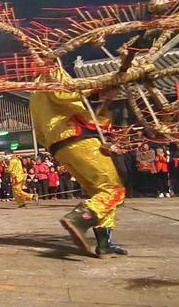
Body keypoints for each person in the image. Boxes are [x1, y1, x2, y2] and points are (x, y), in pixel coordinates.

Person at [30, 70, 127, 258]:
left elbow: (40, 132)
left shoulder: (34, 95)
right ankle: (79, 219)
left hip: (59, 145)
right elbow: (65, 92)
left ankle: (105, 243)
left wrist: (103, 98)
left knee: (100, 192)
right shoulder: (52, 73)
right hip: (76, 137)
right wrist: (96, 90)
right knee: (113, 190)